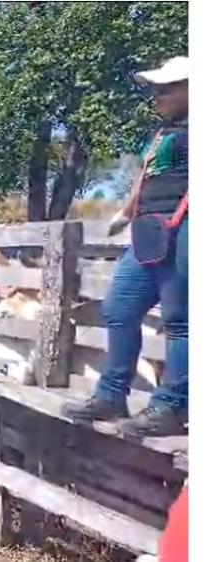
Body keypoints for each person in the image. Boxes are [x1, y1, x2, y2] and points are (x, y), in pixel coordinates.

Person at [62, 56, 188, 437]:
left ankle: (170, 406)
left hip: (187, 227)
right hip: (149, 229)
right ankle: (111, 394)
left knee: (181, 321)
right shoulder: (163, 133)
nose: (157, 95)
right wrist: (125, 212)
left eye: (167, 88)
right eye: (155, 88)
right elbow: (145, 177)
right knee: (118, 307)